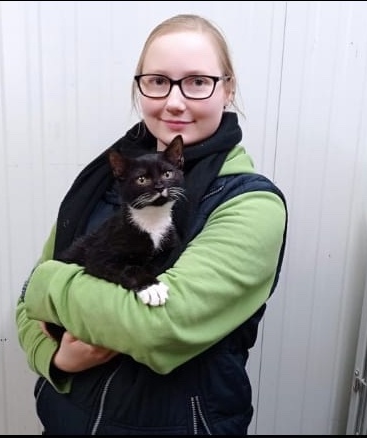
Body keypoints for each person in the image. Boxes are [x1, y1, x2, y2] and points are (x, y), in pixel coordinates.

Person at [15, 13, 288, 435]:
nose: (174, 101)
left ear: (228, 88)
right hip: (65, 421)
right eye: (158, 81)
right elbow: (26, 310)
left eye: (198, 81)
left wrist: (49, 285)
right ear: (139, 86)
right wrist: (56, 359)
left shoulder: (250, 204)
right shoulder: (104, 184)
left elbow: (157, 328)